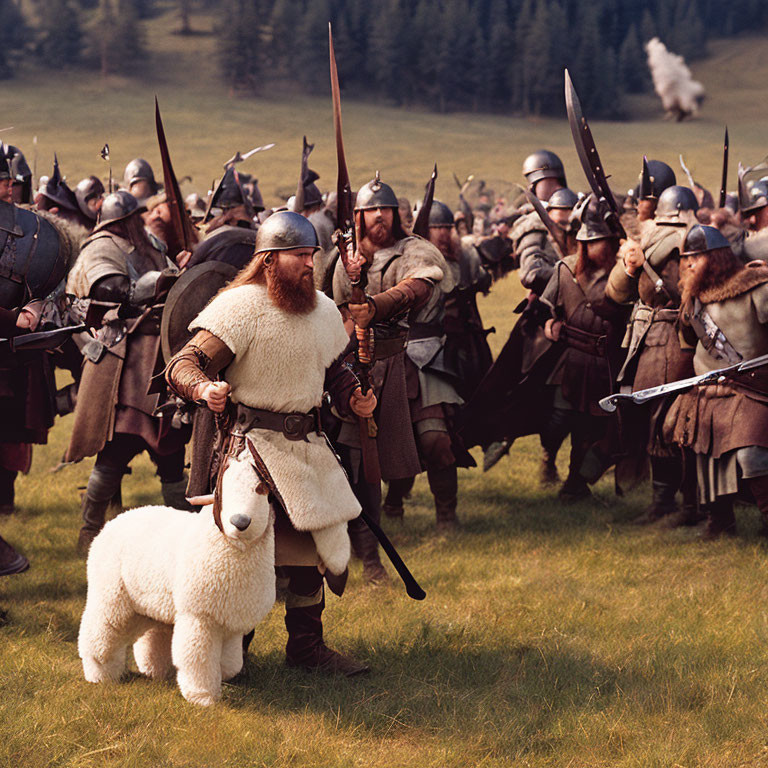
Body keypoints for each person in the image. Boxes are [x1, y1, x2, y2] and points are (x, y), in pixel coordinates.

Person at [166, 210, 374, 675]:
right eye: (299, 256)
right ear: (269, 259)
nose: (308, 264)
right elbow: (183, 364)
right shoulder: (239, 309)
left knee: (313, 550)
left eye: (311, 255)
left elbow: (333, 368)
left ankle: (306, 647)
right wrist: (205, 388)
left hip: (308, 450)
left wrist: (352, 398)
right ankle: (234, 650)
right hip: (251, 452)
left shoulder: (320, 309)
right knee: (247, 551)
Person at [333, 174, 468, 530]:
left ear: (396, 213)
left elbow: (419, 285)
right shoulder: (344, 259)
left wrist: (378, 305)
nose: (379, 215)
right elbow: (332, 307)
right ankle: (368, 521)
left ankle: (446, 516)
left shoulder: (415, 249)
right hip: (362, 362)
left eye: (385, 209)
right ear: (359, 216)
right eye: (371, 209)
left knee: (435, 439)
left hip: (418, 356)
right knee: (361, 449)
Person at [65, 191, 189, 554]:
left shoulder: (145, 243)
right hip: (125, 363)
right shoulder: (102, 247)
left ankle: (184, 536)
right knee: (115, 451)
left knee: (169, 449)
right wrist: (162, 278)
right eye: (135, 215)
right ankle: (89, 532)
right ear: (123, 220)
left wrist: (178, 269)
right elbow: (112, 288)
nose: (142, 219)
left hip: (158, 356)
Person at [604, 185, 700, 525]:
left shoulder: (686, 241)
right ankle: (666, 501)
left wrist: (632, 264)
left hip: (675, 337)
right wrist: (631, 265)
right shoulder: (653, 240)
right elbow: (616, 292)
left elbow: (615, 293)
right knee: (658, 419)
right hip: (651, 338)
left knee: (668, 420)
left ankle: (684, 503)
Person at [665, 225, 768, 538]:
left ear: (717, 257)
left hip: (752, 389)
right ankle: (719, 522)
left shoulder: (758, 287)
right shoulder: (695, 299)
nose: (690, 264)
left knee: (753, 457)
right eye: (687, 258)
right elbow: (686, 337)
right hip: (707, 392)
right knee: (701, 452)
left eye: (696, 257)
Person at [538, 194, 629, 500]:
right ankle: (548, 457)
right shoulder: (565, 268)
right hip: (571, 361)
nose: (590, 248)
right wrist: (549, 323)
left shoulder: (623, 275)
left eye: (598, 241)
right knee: (558, 420)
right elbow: (543, 308)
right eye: (586, 241)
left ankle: (575, 484)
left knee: (591, 429)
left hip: (606, 363)